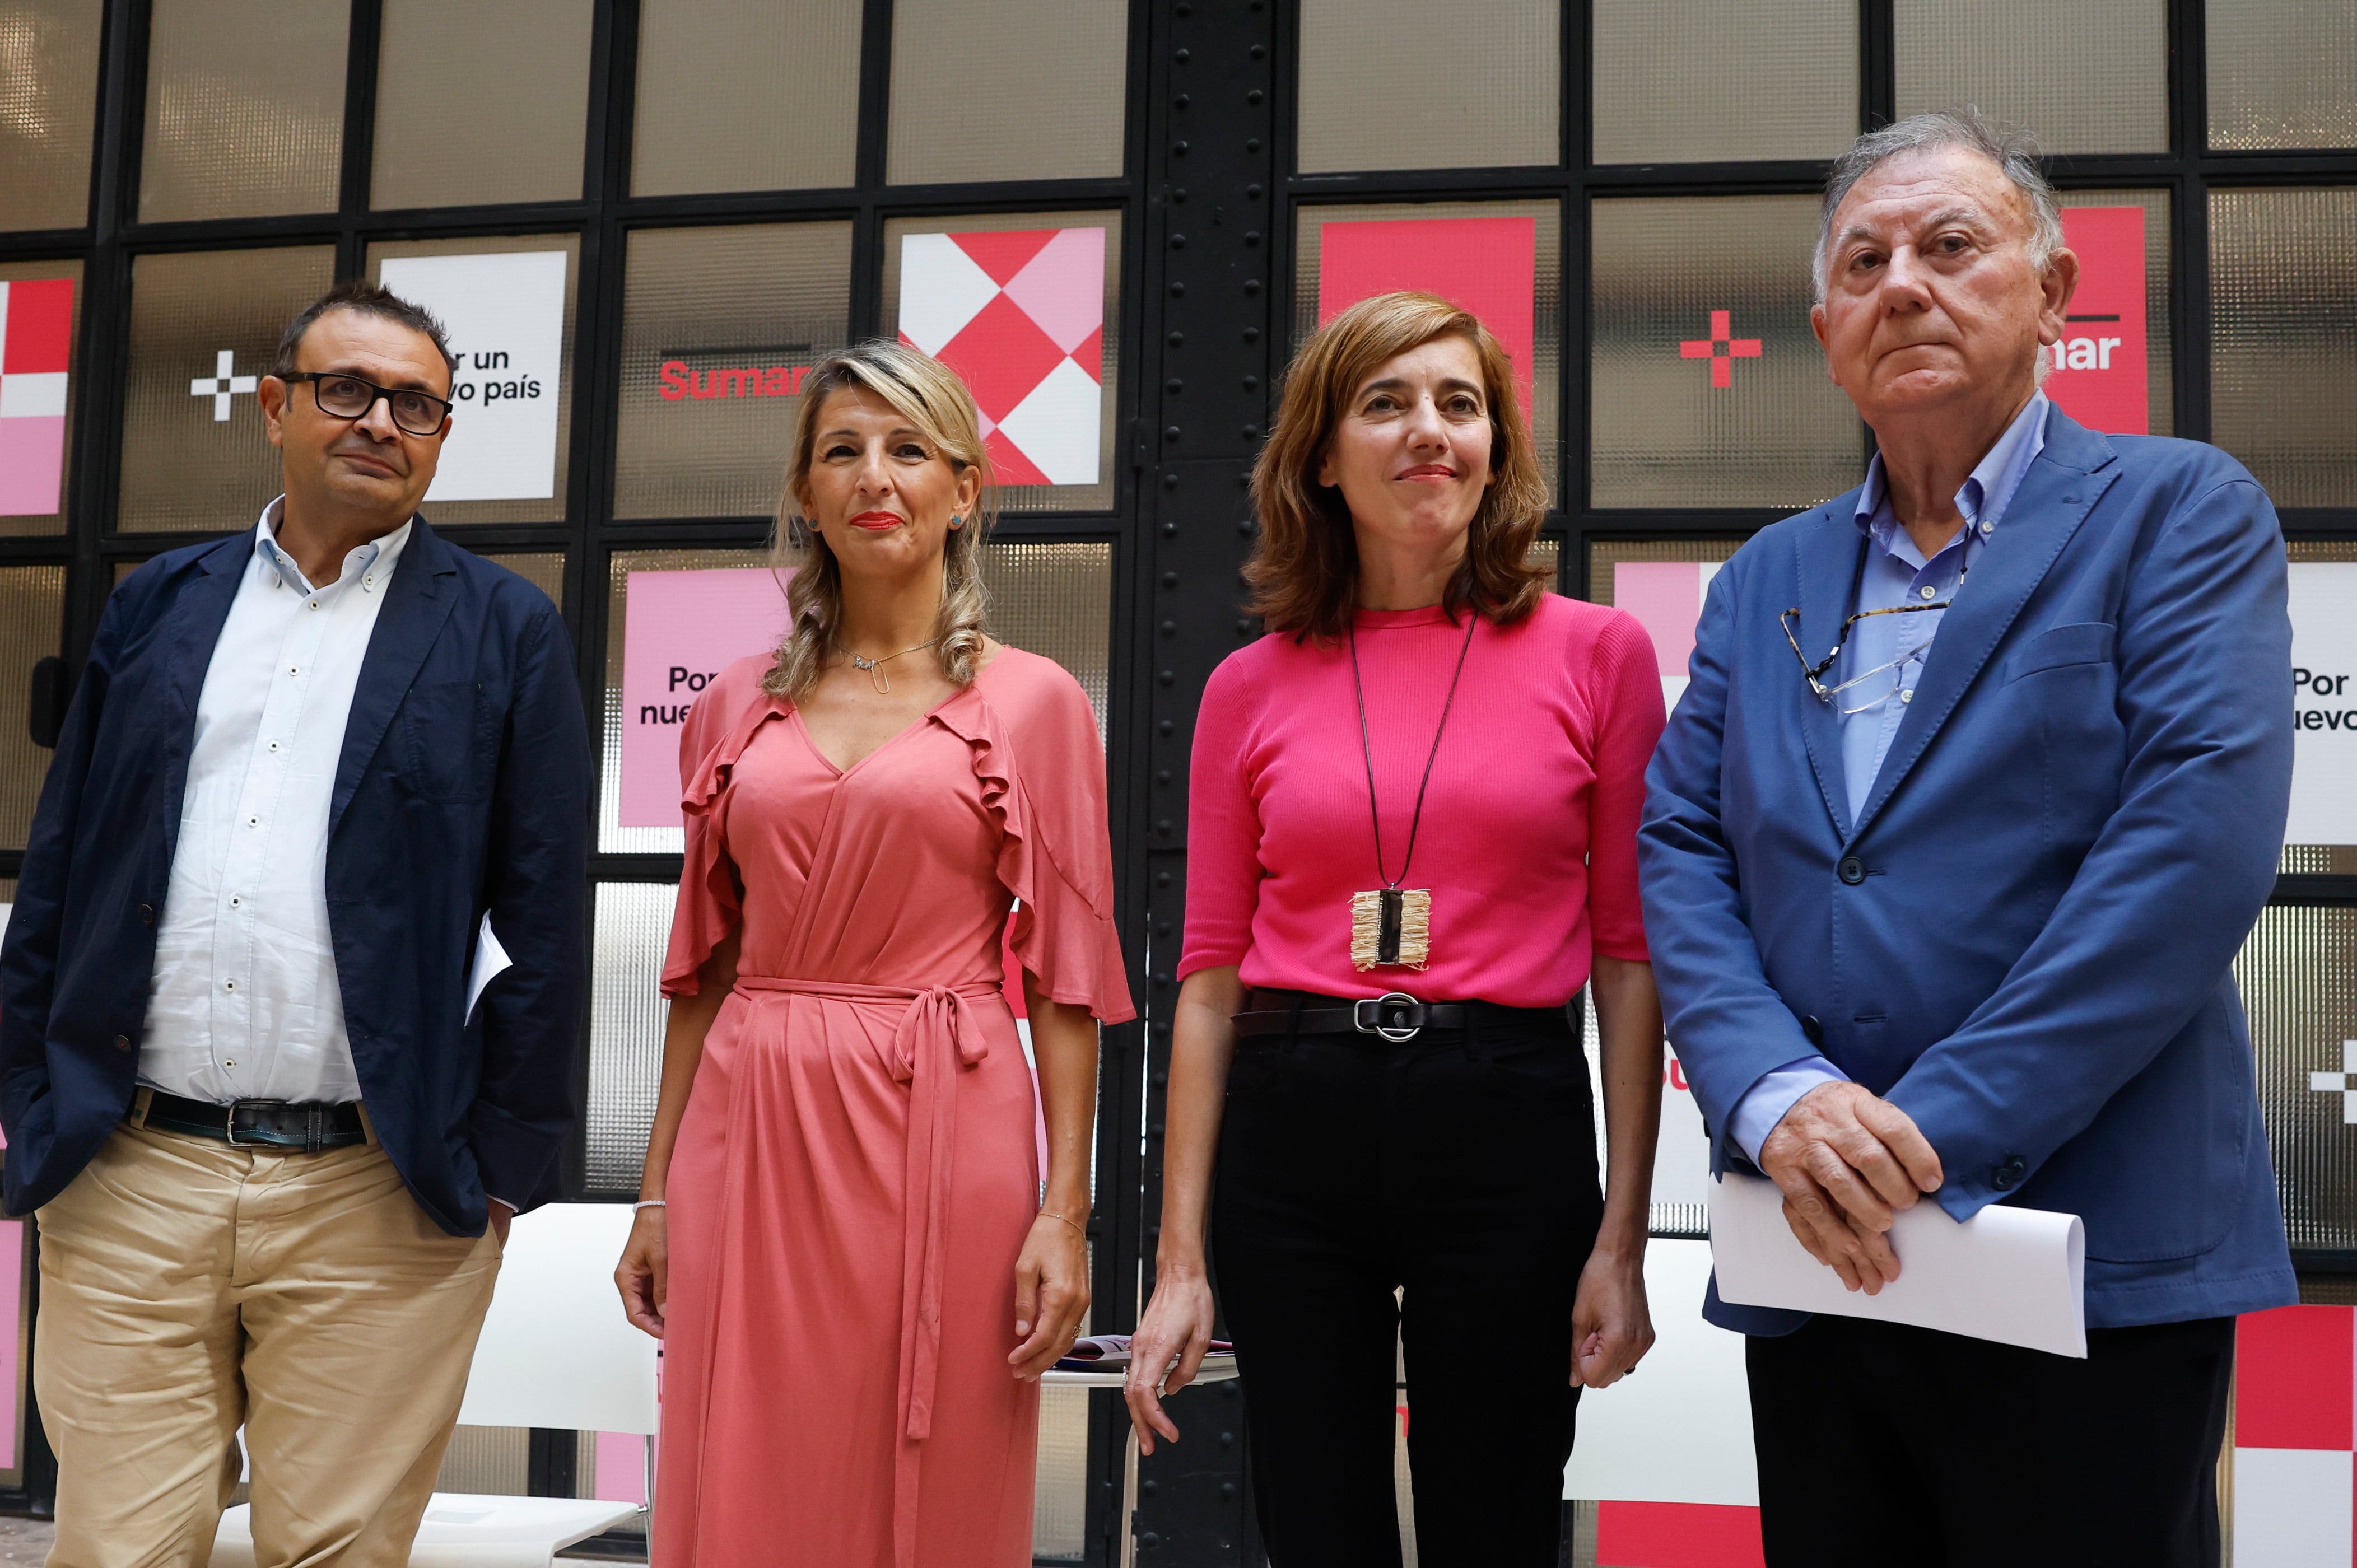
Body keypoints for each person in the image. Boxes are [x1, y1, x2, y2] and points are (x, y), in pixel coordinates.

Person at [1640, 109, 2295, 1567]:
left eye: (1951, 248)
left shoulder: (2181, 516)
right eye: (1864, 264)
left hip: (2087, 1261)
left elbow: (2192, 848)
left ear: (2053, 292)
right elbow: (1681, 844)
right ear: (1825, 331)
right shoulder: (1765, 583)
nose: (1904, 287)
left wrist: (1921, 1143)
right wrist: (1768, 1099)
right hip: (1819, 1257)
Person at [0, 280, 590, 1565]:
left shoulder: (505, 632)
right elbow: (66, 866)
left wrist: (496, 1166)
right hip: (132, 1174)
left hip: (375, 1192)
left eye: (417, 403)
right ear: (274, 407)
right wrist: (34, 1093)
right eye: (348, 390)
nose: (381, 420)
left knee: (334, 1551)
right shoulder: (161, 602)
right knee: (117, 1548)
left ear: (440, 436)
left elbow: (546, 913)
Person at [1124, 291, 1666, 1567]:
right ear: (1322, 453)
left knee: (1499, 1517)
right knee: (1316, 1525)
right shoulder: (1243, 687)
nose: (1430, 432)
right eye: (1388, 403)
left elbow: (1629, 963)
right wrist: (1178, 1260)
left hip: (1506, 1109)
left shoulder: (1599, 654)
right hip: (1291, 1116)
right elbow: (1205, 983)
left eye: (1459, 404)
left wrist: (1623, 1238)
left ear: (1495, 447)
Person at [612, 340, 1132, 1568]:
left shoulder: (1037, 701)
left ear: (965, 489)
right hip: (753, 1112)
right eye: (840, 451)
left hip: (946, 1108)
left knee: (940, 1449)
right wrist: (653, 1186)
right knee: (738, 1452)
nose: (872, 476)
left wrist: (1067, 1209)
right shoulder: (730, 703)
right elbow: (705, 969)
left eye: (907, 449)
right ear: (804, 492)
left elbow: (1064, 987)